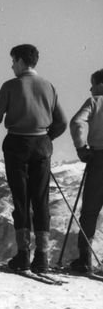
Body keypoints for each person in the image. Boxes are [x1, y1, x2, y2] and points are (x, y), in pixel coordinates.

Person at [0, 44, 67, 273]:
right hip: (41, 145)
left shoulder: (11, 86)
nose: (12, 65)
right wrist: (47, 138)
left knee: (20, 200)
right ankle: (42, 257)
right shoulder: (48, 86)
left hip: (17, 145)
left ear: (21, 61)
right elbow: (62, 122)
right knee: (40, 200)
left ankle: (22, 255)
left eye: (13, 61)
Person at [68, 68, 103, 275]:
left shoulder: (95, 101)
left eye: (93, 84)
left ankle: (85, 260)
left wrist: (81, 147)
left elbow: (77, 122)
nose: (90, 88)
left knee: (90, 211)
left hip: (99, 158)